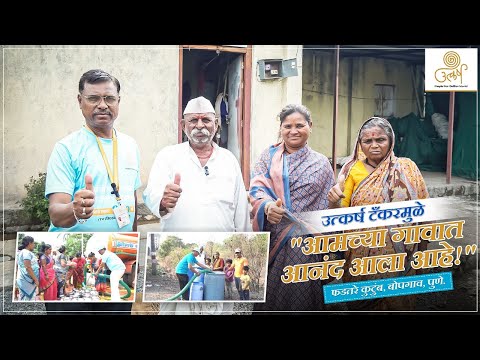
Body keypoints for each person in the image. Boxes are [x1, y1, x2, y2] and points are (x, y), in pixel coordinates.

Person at [143, 96, 252, 315]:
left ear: (216, 124)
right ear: (183, 125)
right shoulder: (168, 156)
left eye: (206, 120)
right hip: (178, 235)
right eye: (193, 120)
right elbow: (150, 194)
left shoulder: (229, 159)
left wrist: (247, 238)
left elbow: (240, 210)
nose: (200, 126)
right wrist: (163, 201)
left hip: (219, 241)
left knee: (215, 306)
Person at [44, 69, 141, 315]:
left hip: (116, 268)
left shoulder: (130, 145)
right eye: (93, 98)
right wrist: (74, 210)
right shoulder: (66, 149)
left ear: (119, 101)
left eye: (109, 98)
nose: (102, 105)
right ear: (80, 101)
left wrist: (134, 249)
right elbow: (56, 213)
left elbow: (133, 201)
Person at [327, 116, 429, 311]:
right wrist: (333, 201)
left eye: (380, 140)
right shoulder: (351, 170)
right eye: (368, 141)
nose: (374, 145)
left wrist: (422, 251)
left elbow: (423, 212)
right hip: (361, 255)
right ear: (360, 144)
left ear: (390, 141)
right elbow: (339, 215)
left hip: (401, 255)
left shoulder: (407, 168)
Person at [249, 104, 335, 311]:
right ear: (281, 128)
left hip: (306, 243)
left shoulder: (321, 163)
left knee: (301, 295)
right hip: (274, 239)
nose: (293, 131)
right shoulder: (268, 157)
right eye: (287, 126)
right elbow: (256, 189)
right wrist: (268, 206)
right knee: (271, 295)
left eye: (299, 125)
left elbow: (327, 207)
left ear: (310, 126)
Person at [16, 236, 40, 301]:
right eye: (33, 243)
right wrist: (36, 280)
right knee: (27, 300)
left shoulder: (26, 252)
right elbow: (28, 267)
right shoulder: (26, 252)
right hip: (26, 281)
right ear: (29, 243)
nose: (34, 245)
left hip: (28, 280)